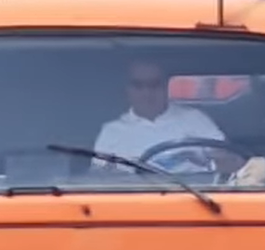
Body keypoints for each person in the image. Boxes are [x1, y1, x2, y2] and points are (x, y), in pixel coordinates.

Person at [91, 59, 245, 174]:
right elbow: (98, 176)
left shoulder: (194, 119)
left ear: (165, 86)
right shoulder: (112, 131)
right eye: (138, 85)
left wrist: (212, 162)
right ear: (128, 90)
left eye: (154, 84)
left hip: (196, 198)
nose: (147, 93)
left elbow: (231, 161)